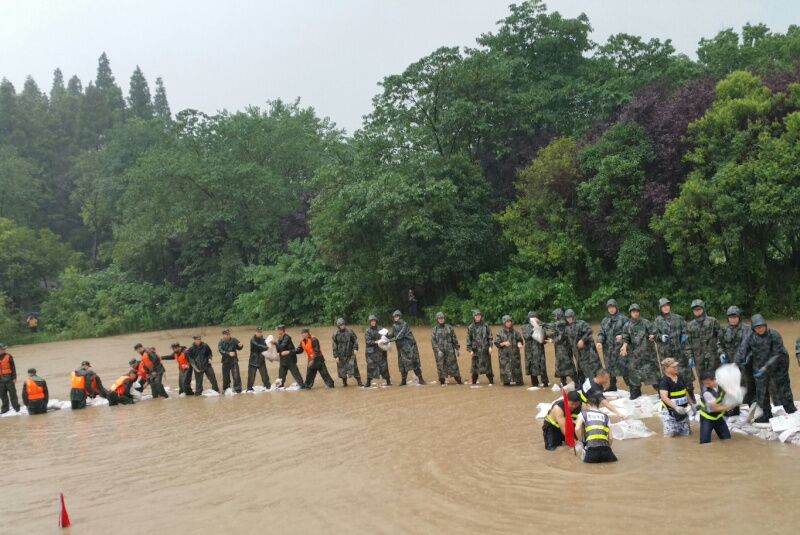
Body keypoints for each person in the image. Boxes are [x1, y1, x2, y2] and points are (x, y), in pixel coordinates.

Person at [743, 314, 796, 423]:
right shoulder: (751, 337)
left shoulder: (774, 335)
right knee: (762, 389)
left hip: (779, 364)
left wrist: (766, 368)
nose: (760, 329)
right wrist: (743, 358)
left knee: (781, 388)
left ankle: (789, 410)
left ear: (766, 325)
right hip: (762, 363)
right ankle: (767, 414)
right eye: (757, 327)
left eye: (762, 326)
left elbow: (777, 354)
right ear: (753, 328)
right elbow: (744, 349)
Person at [653, 298, 693, 401]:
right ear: (660, 308)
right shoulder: (657, 320)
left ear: (670, 306)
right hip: (665, 353)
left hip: (679, 351)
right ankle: (669, 394)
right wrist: (660, 337)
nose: (666, 308)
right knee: (668, 373)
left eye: (667, 305)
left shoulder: (678, 318)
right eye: (663, 306)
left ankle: (690, 393)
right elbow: (654, 334)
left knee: (684, 372)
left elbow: (686, 330)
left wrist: (684, 335)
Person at [620, 304, 660, 400]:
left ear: (639, 312)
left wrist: (652, 335)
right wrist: (624, 346)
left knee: (653, 376)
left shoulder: (646, 323)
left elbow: (654, 331)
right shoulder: (627, 325)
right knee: (634, 375)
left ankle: (661, 392)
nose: (635, 313)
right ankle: (635, 392)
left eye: (637, 311)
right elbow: (625, 338)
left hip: (648, 355)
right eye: (633, 312)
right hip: (634, 356)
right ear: (630, 313)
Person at [719, 306, 752, 413]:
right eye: (730, 317)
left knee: (746, 385)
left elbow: (753, 344)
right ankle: (733, 408)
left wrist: (749, 355)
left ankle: (752, 406)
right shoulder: (724, 329)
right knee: (730, 386)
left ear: (739, 317)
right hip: (729, 363)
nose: (733, 319)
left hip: (743, 363)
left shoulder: (747, 329)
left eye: (735, 317)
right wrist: (721, 353)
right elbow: (719, 344)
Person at [387, 310, 426, 386]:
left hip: (409, 346)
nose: (396, 318)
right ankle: (403, 380)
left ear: (400, 316)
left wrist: (389, 340)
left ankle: (421, 379)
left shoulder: (404, 324)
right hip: (401, 348)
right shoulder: (394, 325)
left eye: (397, 316)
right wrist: (385, 336)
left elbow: (399, 336)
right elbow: (393, 334)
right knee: (402, 364)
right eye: (395, 316)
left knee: (414, 363)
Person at [596, 299, 628, 391]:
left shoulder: (623, 318)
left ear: (616, 307)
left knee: (625, 368)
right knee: (609, 369)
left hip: (621, 349)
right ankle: (612, 386)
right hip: (608, 350)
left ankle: (633, 387)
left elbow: (630, 332)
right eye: (609, 308)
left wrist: (622, 336)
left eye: (613, 307)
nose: (611, 309)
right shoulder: (605, 320)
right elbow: (601, 333)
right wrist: (599, 341)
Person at [576, 394, 618, 463]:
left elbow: (577, 429)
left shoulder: (583, 414)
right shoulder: (606, 416)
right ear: (598, 405)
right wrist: (608, 448)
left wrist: (581, 442)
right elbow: (611, 438)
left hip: (591, 450)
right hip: (606, 451)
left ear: (588, 405)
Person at [686, 299, 722, 378]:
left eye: (699, 309)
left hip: (713, 357)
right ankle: (704, 391)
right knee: (703, 380)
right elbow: (687, 343)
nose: (697, 311)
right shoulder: (690, 325)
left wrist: (721, 351)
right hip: (698, 358)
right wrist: (690, 357)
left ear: (703, 309)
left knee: (716, 379)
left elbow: (721, 337)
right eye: (695, 310)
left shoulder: (713, 321)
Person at [564, 309, 602, 383]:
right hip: (578, 355)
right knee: (582, 371)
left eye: (570, 317)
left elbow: (589, 331)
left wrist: (582, 340)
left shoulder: (581, 323)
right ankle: (584, 386)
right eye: (567, 317)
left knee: (591, 370)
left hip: (587, 353)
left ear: (573, 316)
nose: (569, 319)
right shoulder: (567, 328)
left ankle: (595, 386)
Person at [658, 358, 692, 437]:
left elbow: (685, 392)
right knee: (670, 437)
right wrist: (676, 407)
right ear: (666, 368)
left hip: (683, 412)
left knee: (686, 435)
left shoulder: (680, 378)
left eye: (677, 366)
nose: (676, 368)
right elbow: (664, 397)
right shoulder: (664, 381)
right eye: (673, 367)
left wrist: (692, 404)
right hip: (670, 413)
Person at [697, 370, 733, 444]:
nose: (706, 385)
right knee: (705, 443)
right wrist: (729, 406)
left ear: (715, 379)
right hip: (707, 418)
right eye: (705, 383)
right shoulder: (706, 392)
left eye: (708, 383)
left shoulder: (721, 385)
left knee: (727, 439)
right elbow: (715, 408)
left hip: (718, 417)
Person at [545, 308, 577, 387]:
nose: (554, 316)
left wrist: (553, 341)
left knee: (568, 366)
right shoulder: (560, 323)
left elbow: (561, 337)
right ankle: (564, 383)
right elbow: (554, 329)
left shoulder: (561, 323)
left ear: (558, 315)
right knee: (561, 366)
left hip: (564, 349)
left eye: (555, 315)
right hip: (561, 348)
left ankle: (577, 383)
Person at [431, 312, 462, 385]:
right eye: (439, 318)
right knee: (441, 366)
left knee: (453, 365)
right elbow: (433, 342)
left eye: (442, 318)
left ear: (444, 319)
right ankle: (442, 380)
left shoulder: (449, 327)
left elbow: (454, 339)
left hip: (450, 351)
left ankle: (458, 380)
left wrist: (457, 349)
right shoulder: (434, 329)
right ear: (437, 319)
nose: (441, 320)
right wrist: (438, 350)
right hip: (440, 352)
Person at [494, 315, 524, 386]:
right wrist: (504, 343)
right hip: (505, 356)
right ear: (504, 323)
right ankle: (506, 381)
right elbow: (497, 343)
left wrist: (519, 343)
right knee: (506, 376)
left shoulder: (515, 332)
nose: (509, 323)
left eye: (510, 321)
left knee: (517, 369)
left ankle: (518, 380)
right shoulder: (500, 333)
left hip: (515, 354)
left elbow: (520, 340)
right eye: (507, 322)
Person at [466, 309, 494, 385]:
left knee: (488, 367)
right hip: (476, 351)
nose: (478, 317)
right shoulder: (471, 327)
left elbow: (490, 337)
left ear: (481, 316)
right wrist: (470, 350)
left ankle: (491, 381)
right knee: (474, 368)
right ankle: (474, 382)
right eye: (476, 316)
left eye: (479, 315)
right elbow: (469, 339)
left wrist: (490, 346)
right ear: (474, 317)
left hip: (485, 350)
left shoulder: (486, 326)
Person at [332, 318, 362, 387]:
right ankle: (344, 383)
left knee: (354, 368)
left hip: (350, 354)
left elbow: (355, 341)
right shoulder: (335, 334)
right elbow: (334, 345)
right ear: (338, 326)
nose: (342, 326)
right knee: (342, 369)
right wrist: (336, 356)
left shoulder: (350, 332)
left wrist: (355, 349)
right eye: (341, 325)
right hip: (341, 355)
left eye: (343, 324)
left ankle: (359, 382)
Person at [522, 311, 548, 387]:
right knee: (532, 366)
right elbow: (526, 337)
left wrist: (540, 326)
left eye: (534, 317)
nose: (533, 319)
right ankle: (535, 383)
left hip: (539, 350)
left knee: (542, 366)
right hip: (530, 351)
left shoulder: (541, 326)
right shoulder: (525, 327)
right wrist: (533, 329)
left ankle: (545, 382)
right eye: (531, 318)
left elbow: (545, 338)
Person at [364, 315, 391, 387]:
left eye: (374, 321)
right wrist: (377, 341)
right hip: (371, 353)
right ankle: (368, 382)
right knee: (370, 367)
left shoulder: (381, 329)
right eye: (371, 321)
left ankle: (388, 381)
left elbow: (387, 337)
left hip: (381, 352)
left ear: (376, 321)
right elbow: (368, 341)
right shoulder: (368, 331)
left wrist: (386, 339)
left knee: (384, 366)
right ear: (370, 322)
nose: (373, 322)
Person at [218, 329, 243, 393]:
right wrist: (228, 353)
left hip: (234, 361)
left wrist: (241, 346)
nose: (228, 335)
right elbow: (221, 351)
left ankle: (238, 389)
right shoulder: (221, 342)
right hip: (225, 361)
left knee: (236, 375)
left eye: (229, 334)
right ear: (223, 335)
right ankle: (226, 389)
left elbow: (239, 348)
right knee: (226, 377)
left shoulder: (234, 340)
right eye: (226, 334)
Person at [246, 327, 271, 391]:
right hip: (253, 361)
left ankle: (268, 387)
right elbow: (257, 345)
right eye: (258, 332)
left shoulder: (263, 340)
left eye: (260, 332)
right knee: (251, 378)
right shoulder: (252, 339)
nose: (259, 333)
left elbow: (268, 348)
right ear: (255, 332)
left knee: (265, 377)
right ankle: (249, 389)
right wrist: (266, 347)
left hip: (261, 360)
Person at [0, 343, 20, 414]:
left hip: (9, 378)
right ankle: (5, 408)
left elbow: (13, 367)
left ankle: (16, 407)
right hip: (0, 380)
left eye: (4, 349)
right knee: (2, 395)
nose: (4, 350)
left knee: (13, 394)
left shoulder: (8, 356)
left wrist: (14, 377)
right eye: (3, 349)